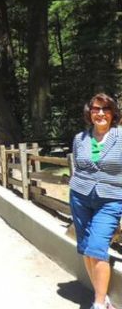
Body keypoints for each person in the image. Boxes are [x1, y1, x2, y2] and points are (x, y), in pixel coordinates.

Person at [69, 93, 122, 309]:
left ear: (113, 113)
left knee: (97, 247)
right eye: (95, 109)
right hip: (80, 197)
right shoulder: (79, 138)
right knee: (85, 247)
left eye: (105, 109)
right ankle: (103, 297)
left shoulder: (120, 138)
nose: (100, 113)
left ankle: (98, 304)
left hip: (110, 200)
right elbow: (77, 167)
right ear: (89, 113)